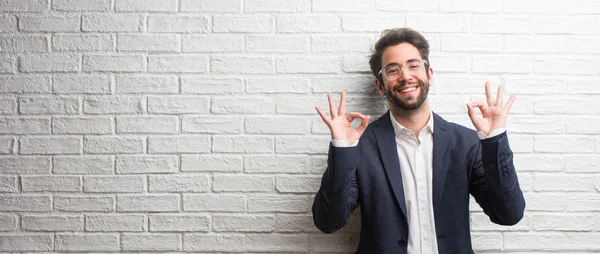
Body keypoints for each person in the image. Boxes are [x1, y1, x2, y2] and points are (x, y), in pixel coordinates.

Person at [312, 28, 526, 254]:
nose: (405, 76)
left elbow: (508, 214)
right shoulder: (362, 145)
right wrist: (343, 149)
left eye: (413, 65)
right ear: (380, 86)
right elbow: (328, 221)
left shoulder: (465, 142)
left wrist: (494, 140)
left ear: (429, 74)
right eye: (392, 70)